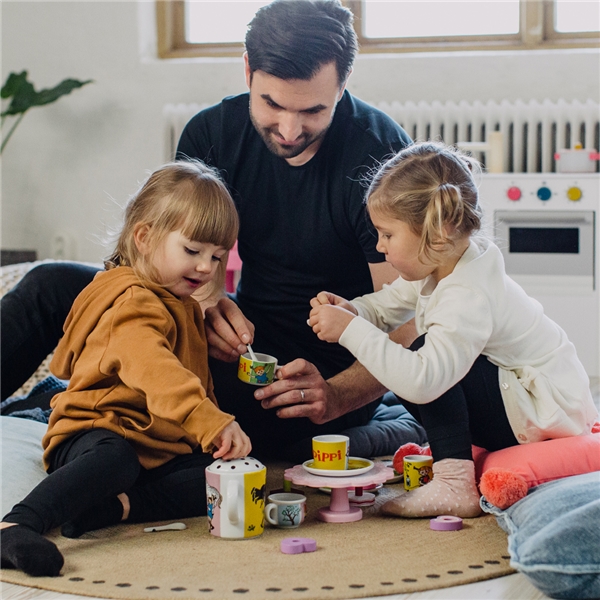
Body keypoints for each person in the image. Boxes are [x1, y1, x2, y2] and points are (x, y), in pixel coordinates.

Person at [1, 0, 426, 459]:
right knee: (51, 285)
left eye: (312, 111)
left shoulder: (381, 158)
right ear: (247, 71)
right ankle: (52, 403)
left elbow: (409, 319)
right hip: (232, 334)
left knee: (222, 421)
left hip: (320, 368)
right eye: (272, 104)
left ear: (343, 85)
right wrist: (206, 302)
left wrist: (339, 395)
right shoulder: (210, 135)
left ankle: (53, 405)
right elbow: (160, 262)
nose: (288, 129)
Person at [309, 142, 598, 518]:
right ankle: (456, 454)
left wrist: (351, 331)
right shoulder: (448, 257)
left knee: (422, 357)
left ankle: (453, 482)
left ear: (438, 231)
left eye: (387, 235)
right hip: (524, 393)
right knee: (425, 355)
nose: (379, 247)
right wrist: (355, 309)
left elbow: (423, 382)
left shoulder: (468, 295)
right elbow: (393, 301)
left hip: (544, 410)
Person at [0, 160, 252, 577]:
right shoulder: (132, 302)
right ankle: (17, 523)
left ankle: (114, 507)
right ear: (144, 237)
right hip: (94, 433)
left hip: (151, 440)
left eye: (217, 256)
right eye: (192, 251)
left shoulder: (179, 302)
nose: (207, 268)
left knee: (215, 478)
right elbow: (157, 370)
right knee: (116, 459)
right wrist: (211, 422)